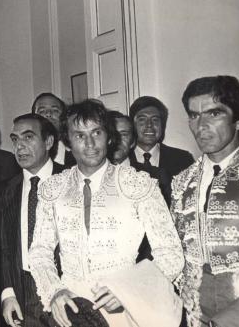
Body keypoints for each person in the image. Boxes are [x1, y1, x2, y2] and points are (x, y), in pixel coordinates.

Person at [29, 99, 184, 327]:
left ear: (109, 137)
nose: (90, 143)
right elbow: (40, 251)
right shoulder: (54, 189)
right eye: (80, 135)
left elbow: (171, 254)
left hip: (125, 311)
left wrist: (127, 290)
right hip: (70, 311)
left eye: (96, 133)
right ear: (67, 142)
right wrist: (55, 291)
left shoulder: (139, 185)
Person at [172, 75, 239, 327]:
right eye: (193, 115)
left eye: (214, 114)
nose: (200, 125)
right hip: (194, 311)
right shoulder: (182, 181)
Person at [0, 114, 64, 327]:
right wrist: (7, 293)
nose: (19, 146)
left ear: (48, 141)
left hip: (63, 290)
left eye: (28, 137)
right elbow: (3, 248)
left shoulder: (71, 181)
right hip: (21, 295)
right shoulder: (4, 190)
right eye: (15, 139)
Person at [129, 96, 194, 178]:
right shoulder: (121, 159)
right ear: (132, 124)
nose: (149, 125)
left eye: (155, 120)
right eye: (142, 119)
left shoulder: (183, 160)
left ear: (162, 125)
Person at [32, 92, 76, 167]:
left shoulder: (78, 157)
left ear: (64, 118)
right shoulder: (24, 157)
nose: (48, 114)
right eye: (42, 111)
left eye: (55, 110)